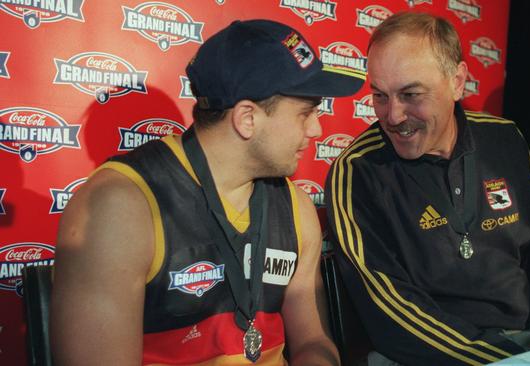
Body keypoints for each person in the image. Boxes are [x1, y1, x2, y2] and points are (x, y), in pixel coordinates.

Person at [50, 19, 364, 365]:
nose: (317, 129)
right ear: (247, 118)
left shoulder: (295, 206)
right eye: (305, 113)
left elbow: (313, 342)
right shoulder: (120, 207)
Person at [325, 12, 530, 365]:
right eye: (380, 96)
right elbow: (389, 309)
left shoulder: (504, 138)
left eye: (410, 94)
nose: (392, 116)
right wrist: (504, 360)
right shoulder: (357, 171)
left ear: (457, 81)